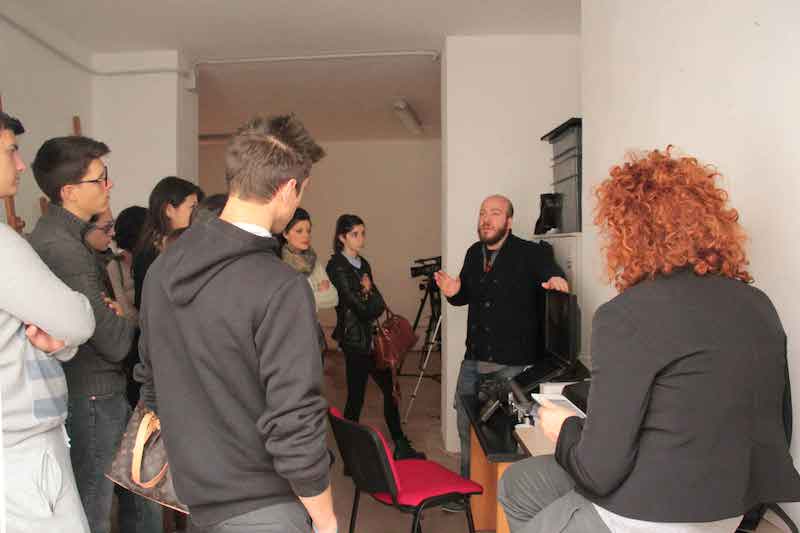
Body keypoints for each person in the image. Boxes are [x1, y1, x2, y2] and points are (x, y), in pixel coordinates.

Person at [498, 148, 800, 532]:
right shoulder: (759, 304)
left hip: (650, 513)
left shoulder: (625, 315)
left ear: (631, 235)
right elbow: (780, 423)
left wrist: (564, 429)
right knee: (518, 484)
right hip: (733, 508)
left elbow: (597, 473)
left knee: (561, 478)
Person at [135, 114, 337, 533]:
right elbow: (295, 420)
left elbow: (152, 384)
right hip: (265, 507)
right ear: (288, 189)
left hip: (196, 499)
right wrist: (325, 518)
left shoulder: (162, 269)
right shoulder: (281, 286)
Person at [27, 135, 146, 533]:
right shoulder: (65, 249)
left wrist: (116, 316)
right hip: (92, 392)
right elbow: (114, 342)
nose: (108, 185)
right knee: (93, 512)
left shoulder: (65, 239)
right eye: (100, 178)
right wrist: (125, 319)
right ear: (69, 191)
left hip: (93, 391)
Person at [433, 194, 568, 506]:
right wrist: (454, 292)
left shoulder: (530, 253)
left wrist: (556, 279)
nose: (486, 219)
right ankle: (469, 496)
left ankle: (501, 503)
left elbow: (551, 272)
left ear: (509, 221)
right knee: (467, 429)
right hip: (473, 360)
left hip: (512, 366)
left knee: (504, 438)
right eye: (482, 213)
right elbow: (464, 294)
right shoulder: (473, 253)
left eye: (495, 213)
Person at [1, 111, 95, 533]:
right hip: (21, 454)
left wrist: (62, 342)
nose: (21, 165)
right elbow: (78, 321)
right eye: (11, 151)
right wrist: (71, 331)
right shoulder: (3, 246)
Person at [83, 207, 163, 533]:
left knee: (138, 478)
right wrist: (130, 319)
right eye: (105, 228)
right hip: (118, 372)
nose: (112, 234)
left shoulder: (131, 263)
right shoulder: (104, 268)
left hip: (129, 366)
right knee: (113, 483)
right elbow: (117, 319)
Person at [327, 214, 425, 460]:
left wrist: (368, 294)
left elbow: (378, 304)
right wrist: (367, 293)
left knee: (391, 389)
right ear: (342, 237)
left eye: (363, 233)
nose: (361, 239)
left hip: (372, 340)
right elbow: (360, 307)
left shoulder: (363, 264)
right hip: (355, 341)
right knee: (356, 399)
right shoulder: (337, 267)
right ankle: (350, 456)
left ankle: (400, 444)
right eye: (355, 234)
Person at [132, 176, 203, 309]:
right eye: (192, 207)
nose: (197, 215)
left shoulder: (189, 243)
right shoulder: (150, 252)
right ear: (169, 210)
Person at [280, 207, 338, 353]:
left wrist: (304, 296)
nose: (306, 235)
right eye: (299, 231)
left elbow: (333, 297)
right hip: (289, 335)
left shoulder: (313, 260)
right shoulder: (279, 264)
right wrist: (318, 290)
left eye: (308, 231)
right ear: (285, 233)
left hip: (313, 332)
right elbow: (288, 303)